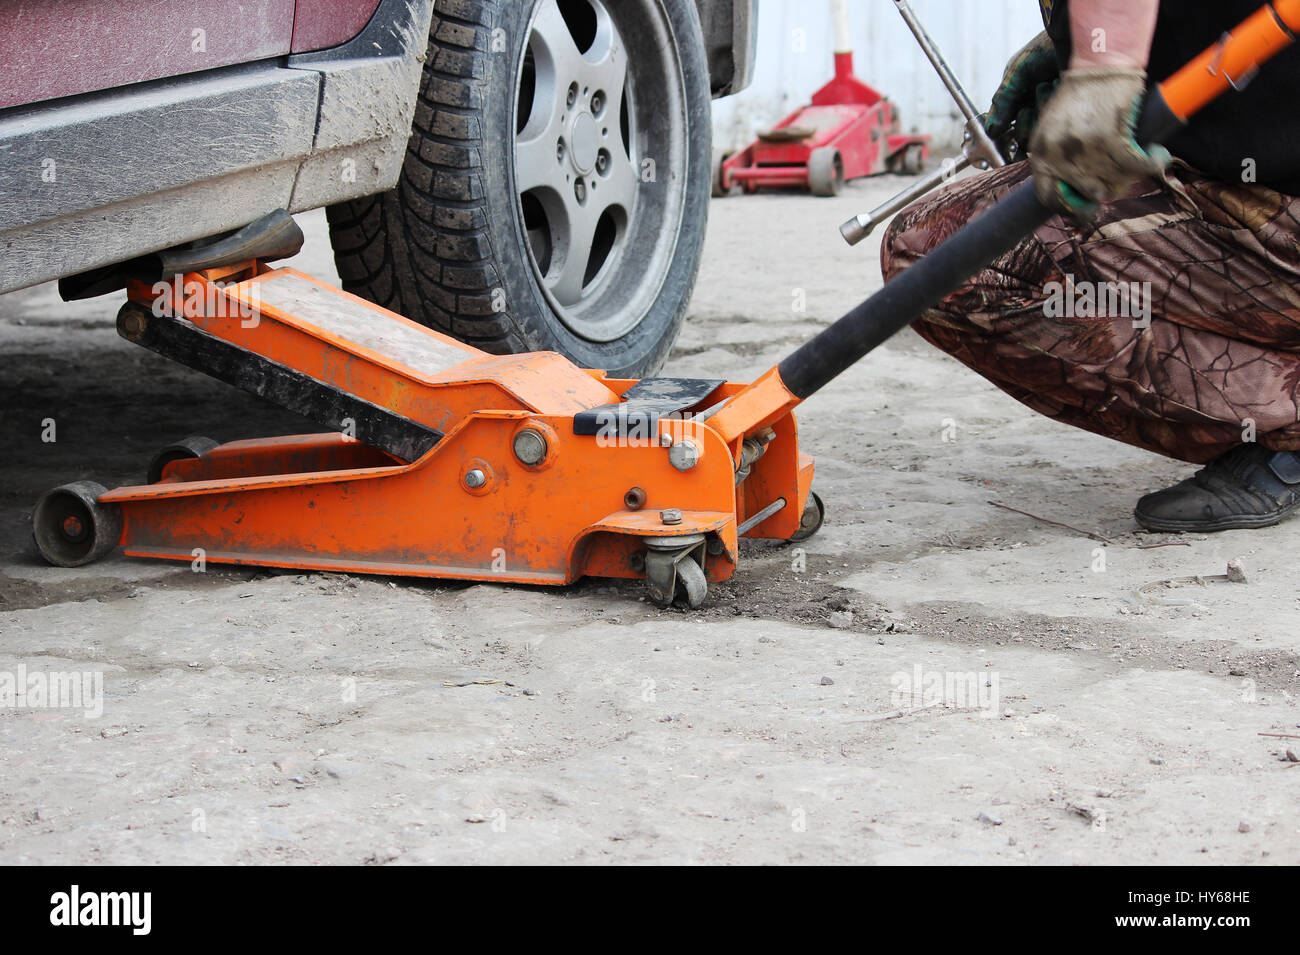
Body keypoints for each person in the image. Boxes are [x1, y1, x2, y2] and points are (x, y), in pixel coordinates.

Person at [881, 0, 1300, 532]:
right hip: (1245, 174)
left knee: (940, 259)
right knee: (941, 249)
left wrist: (1106, 68)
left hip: (1269, 202)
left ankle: (1288, 426)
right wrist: (1075, 43)